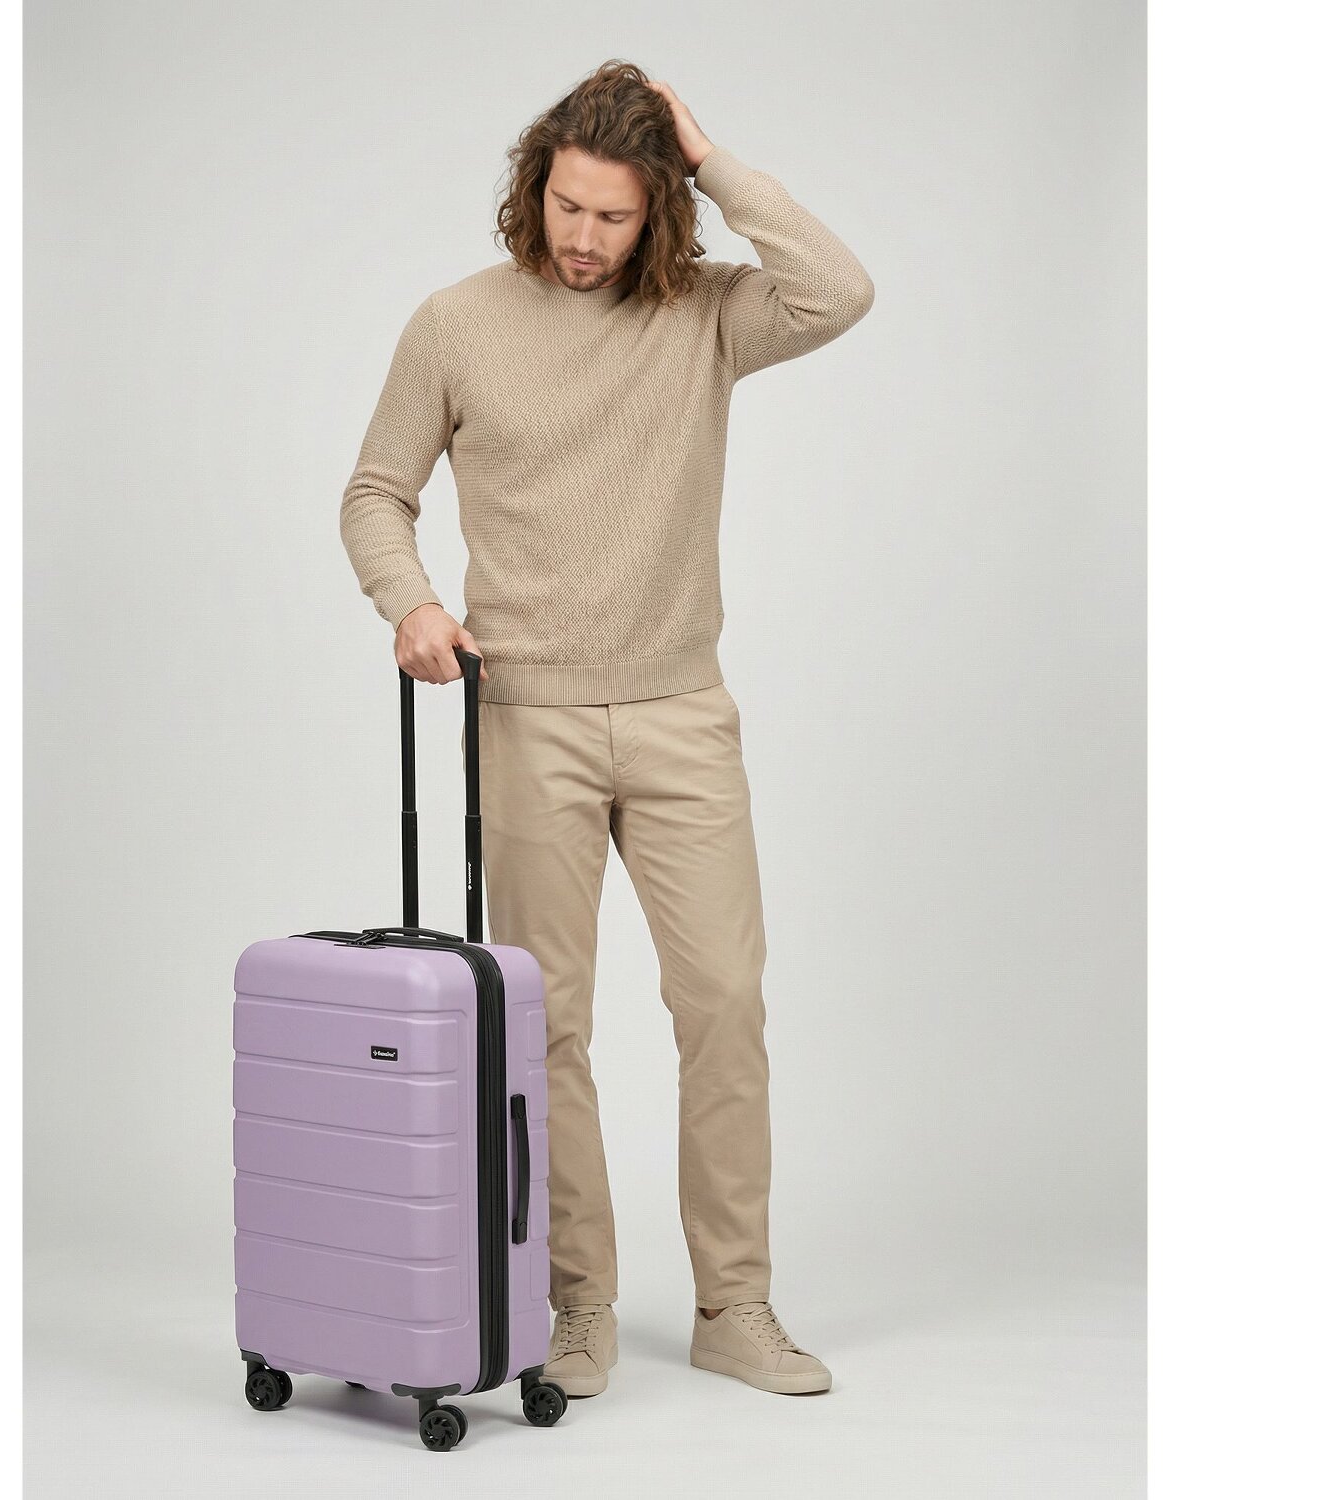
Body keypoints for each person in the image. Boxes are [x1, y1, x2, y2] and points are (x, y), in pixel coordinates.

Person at [339, 60, 874, 1397]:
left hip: (684, 712)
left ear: (660, 213)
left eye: (616, 216)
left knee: (725, 1006)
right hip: (529, 720)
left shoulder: (706, 314)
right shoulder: (455, 324)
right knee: (549, 1027)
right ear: (534, 189)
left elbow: (838, 289)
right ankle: (575, 1303)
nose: (583, 238)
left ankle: (735, 1306)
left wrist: (713, 157)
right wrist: (411, 604)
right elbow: (375, 491)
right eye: (567, 206)